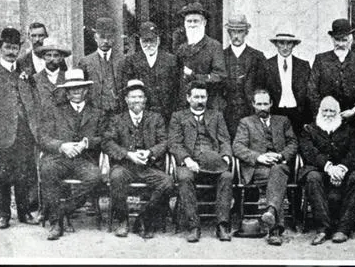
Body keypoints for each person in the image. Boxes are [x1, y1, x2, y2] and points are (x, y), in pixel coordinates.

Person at [38, 69, 106, 240]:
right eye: (71, 89)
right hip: (59, 158)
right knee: (47, 170)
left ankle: (61, 211)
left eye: (79, 88)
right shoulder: (54, 110)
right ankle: (56, 223)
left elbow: (106, 137)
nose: (76, 91)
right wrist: (62, 146)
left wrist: (86, 143)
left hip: (84, 160)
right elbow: (43, 137)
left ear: (86, 90)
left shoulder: (97, 112)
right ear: (66, 92)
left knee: (95, 176)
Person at [102, 80, 173, 238]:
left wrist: (149, 152)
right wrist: (128, 154)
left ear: (145, 99)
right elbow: (107, 142)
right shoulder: (117, 119)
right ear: (126, 100)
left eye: (140, 97)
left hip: (149, 167)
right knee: (116, 176)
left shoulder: (156, 118)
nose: (137, 100)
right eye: (132, 97)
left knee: (167, 182)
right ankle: (122, 220)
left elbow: (165, 142)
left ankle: (144, 218)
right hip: (125, 166)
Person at [168, 80, 234, 242]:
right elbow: (174, 143)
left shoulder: (216, 115)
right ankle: (193, 226)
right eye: (196, 97)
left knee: (227, 177)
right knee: (184, 178)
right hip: (189, 163)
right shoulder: (178, 117)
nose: (200, 101)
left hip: (214, 162)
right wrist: (187, 159)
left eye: (203, 97)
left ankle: (222, 225)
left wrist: (225, 155)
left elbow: (225, 140)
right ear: (188, 98)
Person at [232, 89, 298, 246]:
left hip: (279, 165)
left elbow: (293, 143)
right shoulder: (246, 122)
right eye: (259, 104)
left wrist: (281, 156)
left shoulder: (283, 121)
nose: (262, 107)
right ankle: (274, 229)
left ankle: (271, 213)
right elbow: (238, 146)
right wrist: (258, 157)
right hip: (257, 169)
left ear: (271, 104)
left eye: (265, 104)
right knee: (277, 179)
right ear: (253, 104)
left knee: (277, 171)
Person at [299, 96, 355, 245]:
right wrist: (329, 168)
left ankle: (343, 229)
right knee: (312, 177)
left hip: (344, 170)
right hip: (320, 169)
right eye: (325, 110)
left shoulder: (349, 130)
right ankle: (323, 229)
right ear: (319, 111)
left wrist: (341, 168)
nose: (328, 114)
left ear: (339, 112)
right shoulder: (309, 129)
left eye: (332, 111)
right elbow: (309, 152)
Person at [0, 27, 40, 229]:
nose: (11, 52)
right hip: (4, 133)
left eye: (15, 48)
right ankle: (4, 214)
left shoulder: (24, 72)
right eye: (7, 48)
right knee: (3, 175)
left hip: (24, 131)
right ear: (0, 47)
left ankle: (24, 213)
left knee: (24, 174)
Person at [308, 19, 355, 129]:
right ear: (332, 39)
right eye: (337, 40)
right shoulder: (321, 60)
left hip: (354, 121)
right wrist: (325, 111)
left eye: (344, 40)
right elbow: (312, 90)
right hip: (326, 119)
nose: (341, 44)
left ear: (350, 40)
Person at [121, 21, 179, 122]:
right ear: (140, 41)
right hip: (141, 116)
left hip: (167, 116)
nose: (148, 45)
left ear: (158, 40)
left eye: (151, 41)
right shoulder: (131, 61)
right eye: (145, 41)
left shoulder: (171, 60)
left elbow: (178, 90)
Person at [175, 2, 227, 113]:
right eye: (189, 21)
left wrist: (194, 76)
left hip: (209, 105)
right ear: (184, 24)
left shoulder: (214, 46)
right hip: (186, 107)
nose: (192, 24)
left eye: (196, 21)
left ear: (204, 23)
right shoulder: (181, 49)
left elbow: (219, 77)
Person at [223, 14, 266, 138]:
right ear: (229, 33)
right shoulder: (221, 56)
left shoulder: (257, 57)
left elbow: (263, 86)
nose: (236, 36)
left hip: (250, 111)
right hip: (227, 112)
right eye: (233, 32)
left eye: (240, 31)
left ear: (246, 32)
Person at [263, 32, 312, 132]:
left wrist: (308, 119)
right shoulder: (267, 65)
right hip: (275, 113)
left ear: (294, 45)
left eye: (289, 43)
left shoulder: (303, 65)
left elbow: (308, 94)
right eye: (281, 43)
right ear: (276, 44)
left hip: (297, 114)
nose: (285, 47)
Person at [78, 17, 124, 115]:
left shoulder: (123, 60)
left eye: (109, 37)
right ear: (95, 37)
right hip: (95, 114)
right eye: (102, 37)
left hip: (118, 114)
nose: (106, 41)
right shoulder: (85, 62)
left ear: (114, 38)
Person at [32, 40, 72, 113]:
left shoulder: (68, 78)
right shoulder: (35, 79)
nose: (52, 59)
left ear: (61, 58)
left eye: (56, 55)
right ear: (43, 57)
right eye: (48, 55)